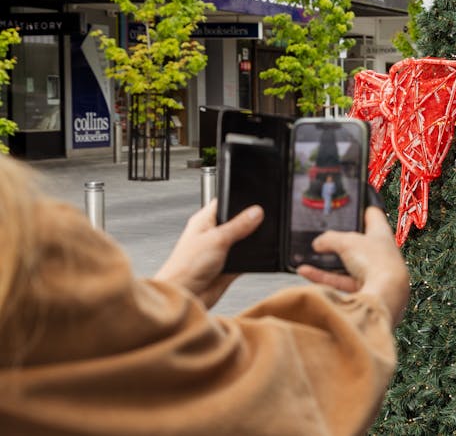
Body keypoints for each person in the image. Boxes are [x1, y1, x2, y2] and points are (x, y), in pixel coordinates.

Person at [0, 154, 409, 435]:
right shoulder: (19, 240)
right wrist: (380, 292)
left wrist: (170, 292)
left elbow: (88, 376)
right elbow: (261, 400)